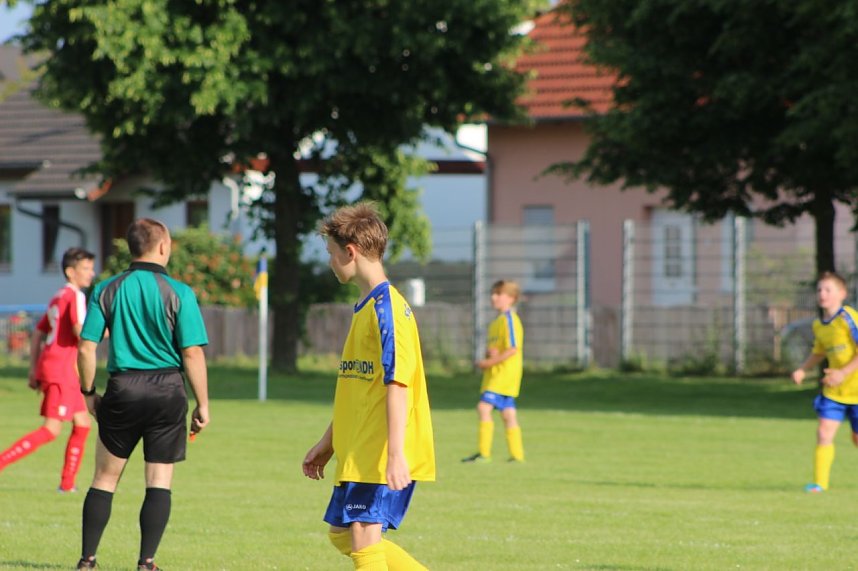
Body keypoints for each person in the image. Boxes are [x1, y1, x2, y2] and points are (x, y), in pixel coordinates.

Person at [302, 203, 435, 570]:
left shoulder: (387, 310)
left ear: (350, 252)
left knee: (363, 536)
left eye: (331, 253)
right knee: (342, 534)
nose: (330, 262)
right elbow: (361, 390)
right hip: (360, 449)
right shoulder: (366, 306)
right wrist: (328, 442)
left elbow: (398, 384)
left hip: (379, 449)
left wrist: (395, 454)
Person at [75, 218, 210, 571]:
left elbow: (86, 347)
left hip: (123, 389)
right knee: (159, 481)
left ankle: (87, 560)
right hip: (168, 390)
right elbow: (192, 352)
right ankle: (146, 562)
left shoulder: (106, 289)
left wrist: (88, 392)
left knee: (104, 478)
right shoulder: (180, 292)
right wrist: (203, 404)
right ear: (163, 246)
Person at [0, 247, 96, 491]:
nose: (91, 273)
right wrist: (108, 330)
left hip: (60, 368)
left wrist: (33, 369)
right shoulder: (75, 296)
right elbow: (80, 331)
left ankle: (67, 484)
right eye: (86, 268)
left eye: (91, 268)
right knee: (51, 429)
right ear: (70, 272)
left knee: (83, 423)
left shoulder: (58, 296)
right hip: (62, 369)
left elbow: (38, 333)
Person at [791, 271, 858, 493]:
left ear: (842, 293)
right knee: (824, 432)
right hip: (834, 392)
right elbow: (819, 352)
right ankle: (819, 484)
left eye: (828, 289)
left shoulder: (848, 318)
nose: (822, 294)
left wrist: (843, 372)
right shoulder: (819, 325)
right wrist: (803, 369)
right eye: (819, 289)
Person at [462, 279, 525, 464]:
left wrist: (489, 362)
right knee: (508, 414)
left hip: (502, 375)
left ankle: (484, 453)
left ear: (511, 298)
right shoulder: (496, 322)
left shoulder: (509, 320)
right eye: (493, 293)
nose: (493, 297)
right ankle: (517, 456)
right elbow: (499, 348)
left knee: (483, 408)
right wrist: (490, 355)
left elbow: (513, 348)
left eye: (499, 294)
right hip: (497, 374)